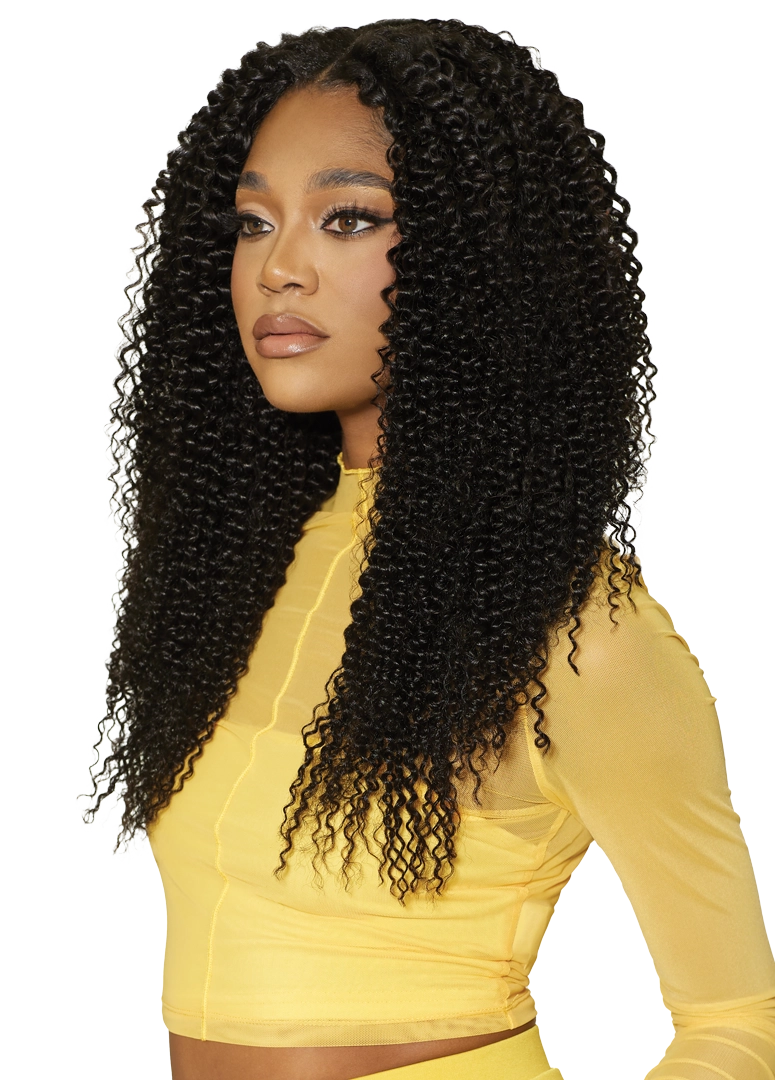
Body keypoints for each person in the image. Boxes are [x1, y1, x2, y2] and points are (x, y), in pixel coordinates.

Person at [79, 17, 775, 1080]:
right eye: (252, 222)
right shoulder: (235, 576)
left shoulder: (573, 625)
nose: (279, 269)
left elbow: (736, 1021)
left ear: (474, 255)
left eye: (348, 219)